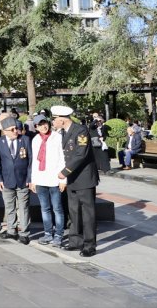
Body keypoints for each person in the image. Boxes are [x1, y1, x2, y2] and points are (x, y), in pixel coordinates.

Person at [52, 105, 99, 257]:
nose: (53, 122)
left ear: (62, 120)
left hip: (84, 178)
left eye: (54, 119)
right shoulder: (64, 132)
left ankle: (89, 245)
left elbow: (81, 154)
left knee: (87, 212)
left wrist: (65, 172)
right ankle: (75, 241)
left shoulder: (80, 130)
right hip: (72, 178)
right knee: (73, 211)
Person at [0, 116, 33, 244]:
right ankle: (11, 231)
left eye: (16, 128)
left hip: (23, 180)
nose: (16, 131)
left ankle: (24, 233)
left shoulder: (25, 140)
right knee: (9, 207)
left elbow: (30, 161)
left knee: (23, 207)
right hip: (7, 180)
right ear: (5, 131)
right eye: (12, 129)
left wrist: (29, 178)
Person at [30, 114, 66, 248]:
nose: (44, 126)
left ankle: (58, 235)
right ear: (36, 127)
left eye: (45, 123)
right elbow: (34, 161)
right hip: (41, 179)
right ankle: (48, 233)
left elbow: (63, 158)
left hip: (55, 178)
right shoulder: (35, 140)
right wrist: (33, 180)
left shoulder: (57, 137)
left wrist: (63, 179)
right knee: (45, 208)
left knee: (57, 208)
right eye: (40, 124)